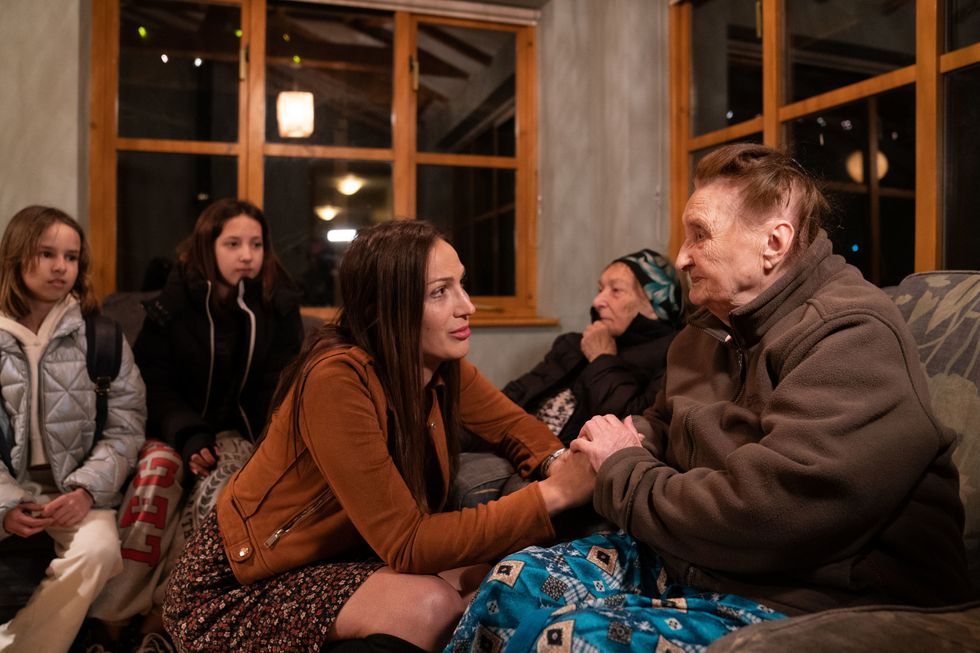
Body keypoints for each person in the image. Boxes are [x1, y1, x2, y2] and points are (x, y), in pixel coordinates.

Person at [447, 143, 971, 651]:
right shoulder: (705, 330)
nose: (680, 258)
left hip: (814, 591)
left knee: (571, 642)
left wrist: (622, 468)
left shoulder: (851, 336)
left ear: (775, 242)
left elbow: (768, 514)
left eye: (700, 235)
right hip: (700, 559)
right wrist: (617, 442)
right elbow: (664, 422)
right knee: (511, 585)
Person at [163, 220, 596, 653]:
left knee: (485, 577)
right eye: (440, 292)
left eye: (462, 285)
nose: (467, 306)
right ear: (385, 306)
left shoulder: (439, 363)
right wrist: (556, 494)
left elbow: (512, 425)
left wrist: (559, 460)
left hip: (338, 560)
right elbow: (408, 543)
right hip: (238, 585)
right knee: (430, 605)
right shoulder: (337, 378)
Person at [89, 198, 304, 644]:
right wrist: (187, 434)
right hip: (173, 428)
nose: (247, 255)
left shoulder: (278, 307)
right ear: (209, 246)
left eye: (256, 244)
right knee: (156, 474)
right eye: (233, 244)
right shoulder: (175, 301)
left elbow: (280, 391)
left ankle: (169, 615)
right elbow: (154, 383)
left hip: (239, 435)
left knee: (217, 490)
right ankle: (113, 614)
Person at [0, 206, 146, 652]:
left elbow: (127, 426)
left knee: (100, 550)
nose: (61, 267)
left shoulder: (101, 337)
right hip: (8, 485)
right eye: (46, 253)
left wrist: (85, 490)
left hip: (74, 488)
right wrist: (4, 504)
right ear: (15, 255)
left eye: (71, 257)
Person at [453, 249, 682, 508]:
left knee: (514, 489)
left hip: (564, 454)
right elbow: (517, 392)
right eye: (600, 289)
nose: (598, 301)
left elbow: (630, 421)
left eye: (615, 291)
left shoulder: (672, 354)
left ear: (654, 304)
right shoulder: (574, 343)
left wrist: (602, 359)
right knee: (442, 434)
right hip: (520, 438)